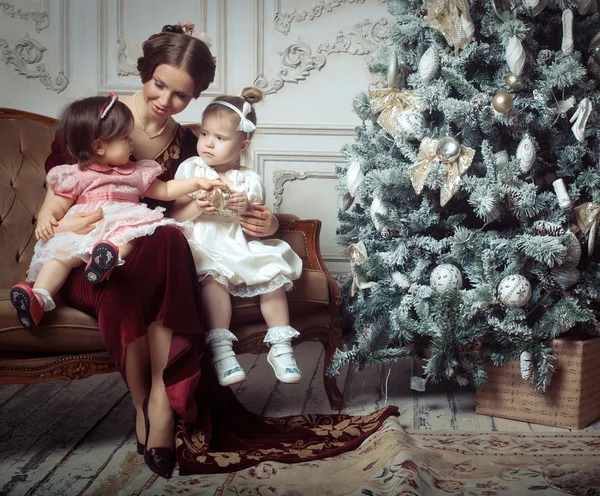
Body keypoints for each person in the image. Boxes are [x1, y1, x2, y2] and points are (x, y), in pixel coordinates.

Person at [41, 21, 397, 479]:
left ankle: (160, 404)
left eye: (181, 96)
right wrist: (61, 221)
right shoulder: (95, 124)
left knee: (165, 238)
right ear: (145, 72)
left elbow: (219, 206)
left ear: (194, 99)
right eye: (159, 85)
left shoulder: (192, 145)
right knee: (140, 269)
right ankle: (147, 403)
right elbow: (52, 210)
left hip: (161, 261)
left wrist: (267, 223)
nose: (166, 101)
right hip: (94, 262)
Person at [10, 94, 218, 328]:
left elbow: (167, 189)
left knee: (128, 234)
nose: (132, 143)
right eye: (125, 138)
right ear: (99, 146)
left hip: (121, 223)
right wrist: (48, 216)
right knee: (60, 257)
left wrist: (197, 182)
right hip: (84, 231)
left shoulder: (136, 172)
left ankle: (106, 260)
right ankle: (38, 297)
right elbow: (57, 203)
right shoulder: (75, 173)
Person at [172, 88, 303, 387]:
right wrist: (196, 205)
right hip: (202, 245)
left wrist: (244, 205)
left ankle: (281, 345)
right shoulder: (190, 169)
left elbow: (254, 217)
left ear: (242, 145)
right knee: (213, 279)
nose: (207, 143)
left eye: (219, 138)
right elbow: (174, 216)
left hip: (236, 243)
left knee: (272, 273)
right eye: (204, 133)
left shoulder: (248, 179)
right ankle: (221, 349)